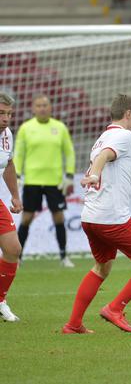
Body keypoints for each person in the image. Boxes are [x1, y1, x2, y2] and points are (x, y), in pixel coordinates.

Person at [62, 94, 131, 334]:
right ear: (128, 114)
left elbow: (103, 154)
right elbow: (104, 157)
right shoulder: (123, 135)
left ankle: (73, 324)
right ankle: (114, 308)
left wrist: (95, 175)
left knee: (102, 268)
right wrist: (95, 174)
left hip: (90, 217)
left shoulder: (102, 137)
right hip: (112, 219)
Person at [14, 95, 76, 267]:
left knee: (59, 217)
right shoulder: (26, 128)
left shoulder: (60, 127)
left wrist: (69, 176)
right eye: (38, 105)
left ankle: (64, 257)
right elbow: (19, 154)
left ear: (50, 108)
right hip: (32, 181)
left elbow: (69, 152)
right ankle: (18, 258)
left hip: (54, 182)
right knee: (26, 218)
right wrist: (17, 175)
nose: (42, 108)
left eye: (45, 105)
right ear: (33, 109)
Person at [0, 94, 25, 322]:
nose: (6, 118)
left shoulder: (7, 135)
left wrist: (15, 196)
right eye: (1, 113)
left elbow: (8, 164)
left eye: (9, 113)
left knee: (13, 248)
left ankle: (0, 300)